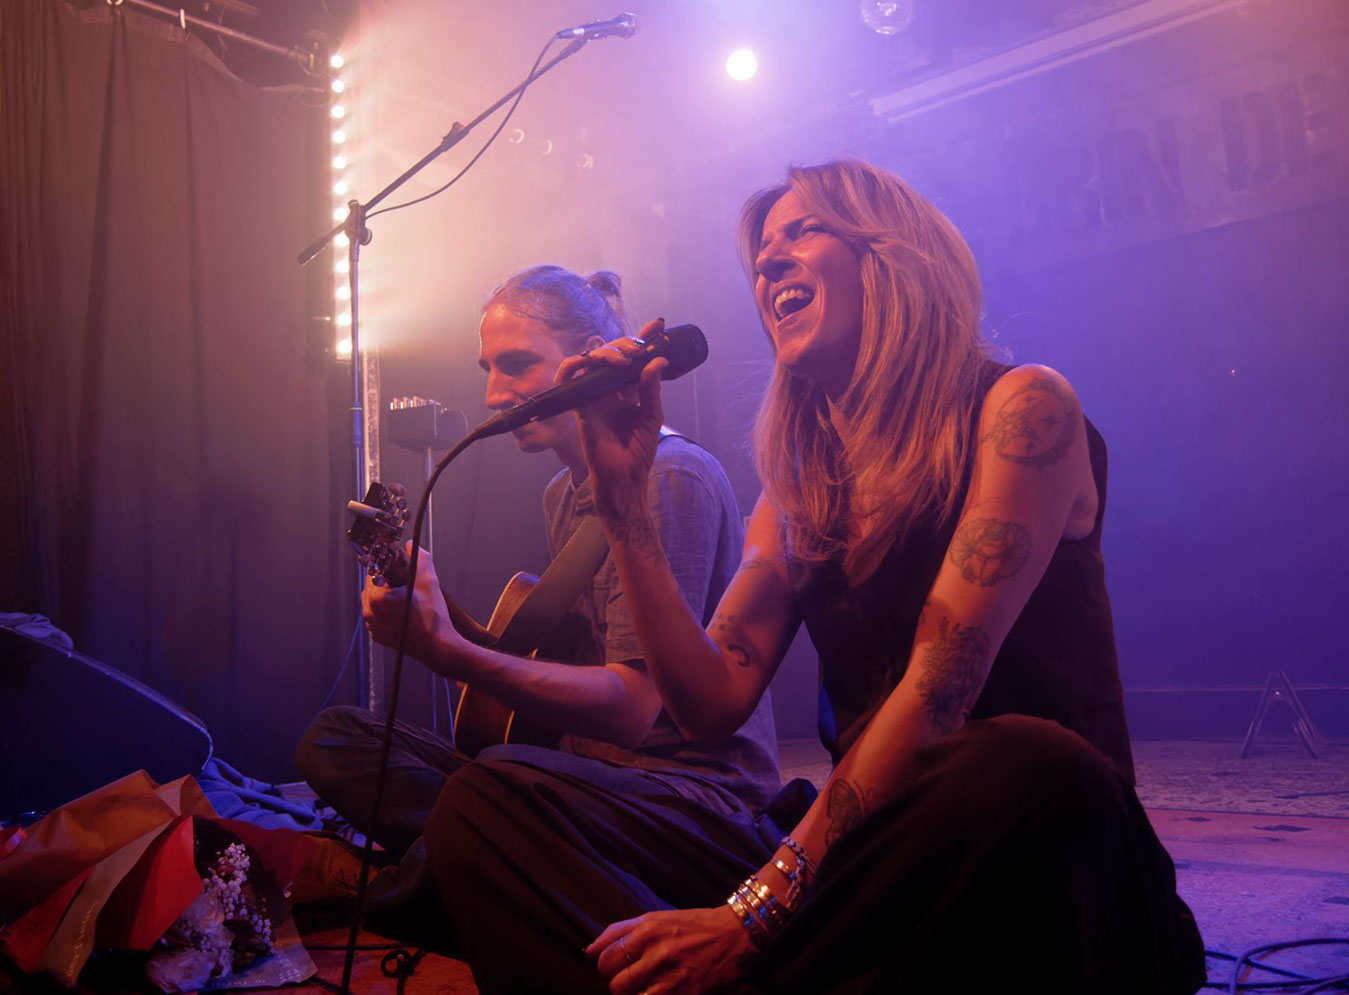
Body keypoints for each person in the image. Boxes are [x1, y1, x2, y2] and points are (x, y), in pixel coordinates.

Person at [422, 162, 1206, 994]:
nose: (768, 261)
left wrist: (753, 913)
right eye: (762, 250)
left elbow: (937, 692)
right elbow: (706, 705)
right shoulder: (799, 486)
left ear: (895, 258)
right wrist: (623, 506)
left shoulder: (1020, 409)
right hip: (866, 854)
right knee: (486, 801)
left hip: (1028, 842)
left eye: (804, 231)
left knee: (1021, 757)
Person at [294, 266, 780, 920]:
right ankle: (473, 871)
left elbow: (634, 709)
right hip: (575, 778)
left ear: (587, 362)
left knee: (488, 788)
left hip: (685, 796)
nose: (495, 394)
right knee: (337, 738)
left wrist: (449, 653)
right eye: (487, 369)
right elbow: (566, 660)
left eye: (518, 364)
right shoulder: (561, 494)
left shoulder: (671, 478)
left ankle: (389, 890)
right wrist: (438, 613)